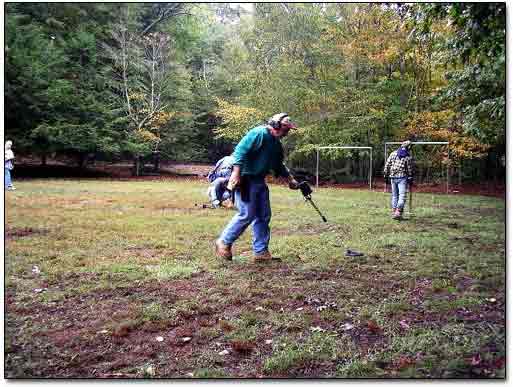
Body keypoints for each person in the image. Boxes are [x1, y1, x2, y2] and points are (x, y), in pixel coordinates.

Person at [214, 113, 299, 263]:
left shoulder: (276, 144)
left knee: (263, 215)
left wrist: (290, 179)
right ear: (276, 125)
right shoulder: (259, 133)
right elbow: (240, 152)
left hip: (259, 180)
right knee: (247, 213)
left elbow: (278, 165)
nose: (286, 133)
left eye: (288, 131)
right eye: (285, 130)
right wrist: (235, 174)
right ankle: (224, 242)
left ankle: (261, 252)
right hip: (245, 178)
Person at [383, 140, 415, 220]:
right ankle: (398, 211)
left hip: (392, 177)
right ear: (408, 147)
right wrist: (410, 176)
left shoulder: (393, 153)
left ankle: (394, 211)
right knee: (402, 196)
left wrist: (385, 174)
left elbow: (387, 164)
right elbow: (409, 169)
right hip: (402, 177)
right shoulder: (407, 156)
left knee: (394, 195)